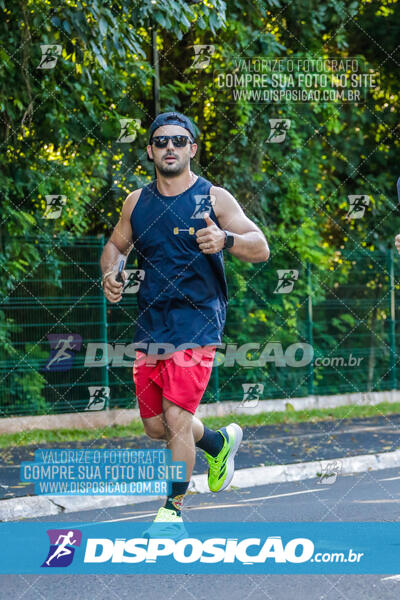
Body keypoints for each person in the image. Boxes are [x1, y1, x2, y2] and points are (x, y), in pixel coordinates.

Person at [100, 111, 270, 532]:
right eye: (161, 141)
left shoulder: (214, 198)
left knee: (176, 416)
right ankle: (217, 442)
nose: (170, 147)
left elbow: (261, 246)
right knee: (156, 426)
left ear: (192, 148)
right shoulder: (136, 203)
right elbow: (115, 246)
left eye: (179, 140)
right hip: (152, 322)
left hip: (198, 321)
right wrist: (111, 272)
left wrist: (225, 240)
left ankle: (171, 511)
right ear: (150, 152)